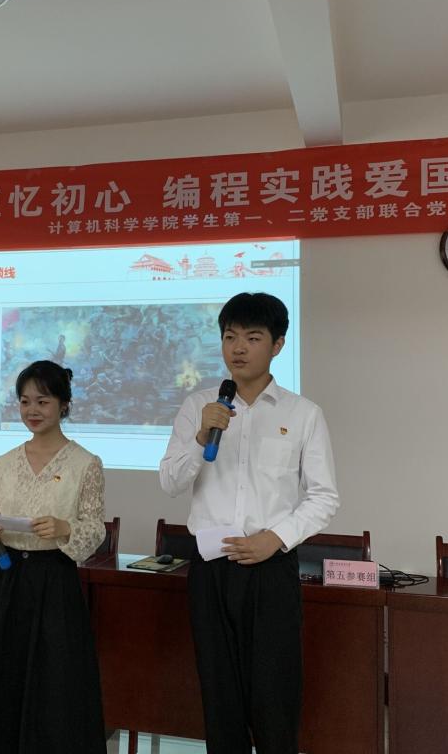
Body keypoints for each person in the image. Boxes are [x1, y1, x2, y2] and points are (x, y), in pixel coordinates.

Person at [159, 293, 340, 754]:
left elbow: (324, 496)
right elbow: (171, 482)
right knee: (219, 694)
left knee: (274, 694)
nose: (238, 348)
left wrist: (274, 539)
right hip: (211, 569)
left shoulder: (303, 414)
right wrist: (201, 436)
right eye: (229, 336)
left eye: (253, 337)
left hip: (270, 568)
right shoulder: (199, 406)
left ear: (277, 345)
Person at [0, 360, 107, 754]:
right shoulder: (4, 463)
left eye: (43, 401)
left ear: (64, 405)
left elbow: (95, 529)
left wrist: (65, 528)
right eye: (24, 401)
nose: (32, 410)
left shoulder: (85, 464)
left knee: (56, 683)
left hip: (55, 582)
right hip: (7, 580)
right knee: (1, 677)